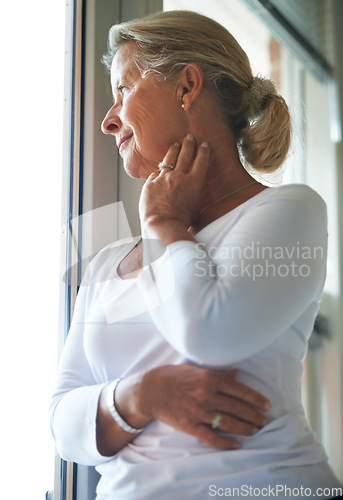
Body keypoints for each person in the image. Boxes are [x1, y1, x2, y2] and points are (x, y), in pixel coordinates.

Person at [50, 10, 343, 500]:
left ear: (186, 87)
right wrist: (140, 395)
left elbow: (210, 334)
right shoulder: (105, 261)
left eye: (123, 89)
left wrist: (162, 223)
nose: (107, 120)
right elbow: (62, 422)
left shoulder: (289, 210)